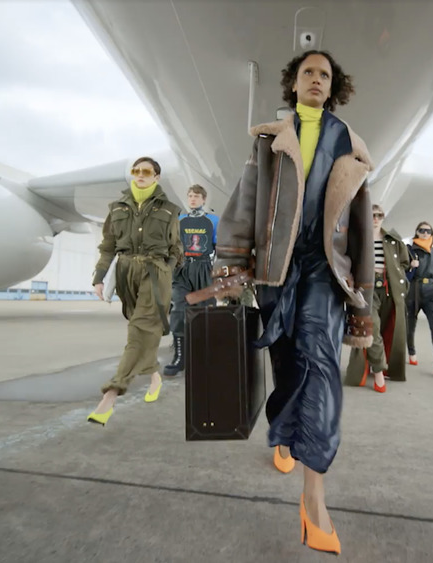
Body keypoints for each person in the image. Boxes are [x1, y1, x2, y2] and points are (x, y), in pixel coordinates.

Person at [213, 50, 373, 555]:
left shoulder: (350, 145)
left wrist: (362, 298)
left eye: (325, 75)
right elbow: (243, 206)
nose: (316, 80)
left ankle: (314, 497)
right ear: (294, 82)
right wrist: (233, 266)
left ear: (333, 86)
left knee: (321, 367)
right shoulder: (269, 142)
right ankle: (283, 435)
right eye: (308, 72)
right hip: (276, 271)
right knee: (285, 362)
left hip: (326, 272)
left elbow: (366, 228)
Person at [87, 157, 183, 426]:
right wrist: (99, 277)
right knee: (142, 329)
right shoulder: (116, 208)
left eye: (146, 172)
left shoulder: (170, 210)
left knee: (139, 330)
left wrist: (167, 270)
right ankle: (154, 375)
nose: (140, 175)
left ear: (156, 177)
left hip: (155, 274)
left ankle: (111, 395)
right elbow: (108, 247)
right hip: (126, 273)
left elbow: (176, 248)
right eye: (136, 171)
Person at [343, 204, 412, 391]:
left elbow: (404, 262)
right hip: (367, 289)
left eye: (379, 215)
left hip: (390, 289)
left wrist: (400, 279)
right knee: (372, 327)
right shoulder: (359, 238)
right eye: (372, 215)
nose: (375, 218)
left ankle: (383, 366)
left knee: (389, 327)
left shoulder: (393, 239)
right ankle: (379, 370)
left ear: (383, 218)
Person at [163, 184, 219, 375]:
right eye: (190, 196)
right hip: (183, 268)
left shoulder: (213, 221)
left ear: (204, 199)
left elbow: (218, 246)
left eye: (196, 196)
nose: (193, 199)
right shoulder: (179, 221)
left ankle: (205, 355)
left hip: (205, 268)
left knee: (207, 310)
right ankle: (180, 356)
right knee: (179, 309)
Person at [405, 221, 433, 374]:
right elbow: (402, 268)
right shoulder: (409, 250)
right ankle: (411, 352)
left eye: (428, 231)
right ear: (416, 232)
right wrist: (411, 266)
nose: (424, 233)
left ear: (432, 234)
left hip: (431, 292)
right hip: (413, 291)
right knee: (410, 324)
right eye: (421, 230)